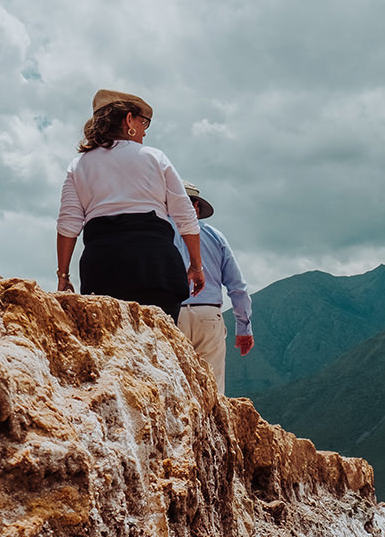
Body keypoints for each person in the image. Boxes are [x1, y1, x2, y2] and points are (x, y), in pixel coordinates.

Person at [55, 89, 204, 319]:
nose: (144, 131)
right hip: (155, 267)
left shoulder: (78, 166)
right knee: (159, 349)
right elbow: (185, 215)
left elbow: (68, 225)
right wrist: (196, 266)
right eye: (143, 122)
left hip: (103, 268)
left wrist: (63, 275)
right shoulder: (155, 157)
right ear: (128, 120)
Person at [174, 183, 254, 394]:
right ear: (197, 207)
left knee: (177, 387)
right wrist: (243, 327)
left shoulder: (161, 236)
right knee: (212, 388)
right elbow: (237, 287)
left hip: (173, 314)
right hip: (208, 315)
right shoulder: (216, 237)